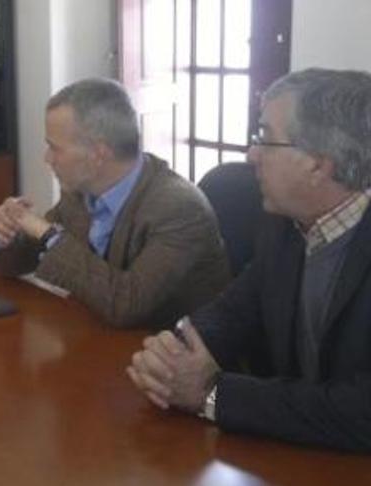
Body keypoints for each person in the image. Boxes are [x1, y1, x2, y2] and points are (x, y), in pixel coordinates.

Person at [127, 68, 371, 452]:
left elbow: (362, 411)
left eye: (265, 139)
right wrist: (176, 355)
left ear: (318, 165)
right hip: (292, 456)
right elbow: (236, 309)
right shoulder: (285, 225)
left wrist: (211, 395)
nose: (251, 154)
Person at [0, 78, 230, 328]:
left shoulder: (180, 210)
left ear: (98, 155)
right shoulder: (80, 192)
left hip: (172, 356)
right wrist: (7, 236)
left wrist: (48, 235)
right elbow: (25, 261)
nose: (47, 159)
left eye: (55, 148)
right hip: (104, 341)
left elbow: (126, 305)